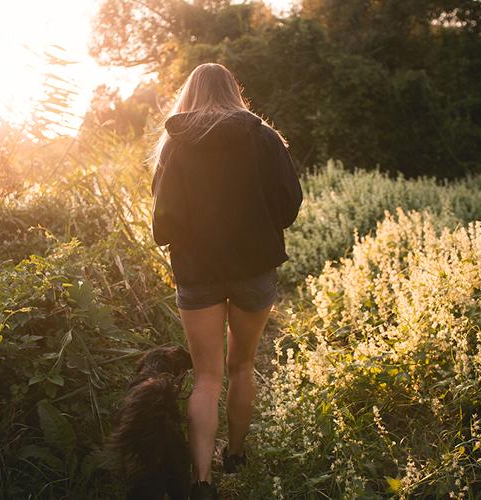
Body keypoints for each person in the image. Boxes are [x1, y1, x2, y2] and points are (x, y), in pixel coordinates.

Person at [150, 62, 303, 499]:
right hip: (255, 269)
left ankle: (201, 482)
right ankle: (235, 455)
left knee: (206, 378)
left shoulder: (175, 146)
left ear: (190, 94)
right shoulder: (263, 137)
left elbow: (162, 227)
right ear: (234, 91)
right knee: (242, 366)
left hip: (197, 274)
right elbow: (290, 204)